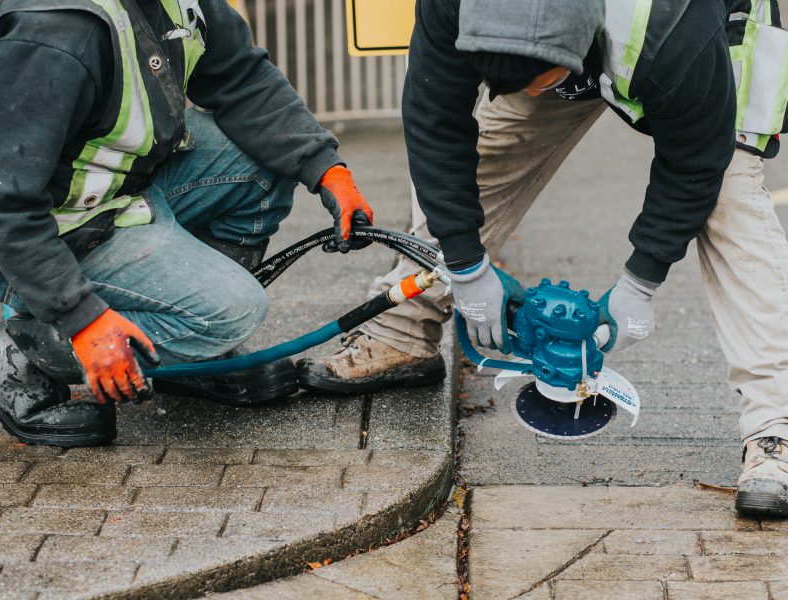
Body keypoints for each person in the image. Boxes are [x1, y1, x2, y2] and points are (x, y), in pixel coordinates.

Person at [298, 0, 788, 517]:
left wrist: (642, 279)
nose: (534, 90)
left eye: (541, 77)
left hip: (704, 34)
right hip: (558, 42)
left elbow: (695, 160)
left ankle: (775, 428)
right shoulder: (453, 7)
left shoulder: (672, 25)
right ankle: (402, 330)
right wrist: (465, 264)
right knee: (493, 148)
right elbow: (436, 126)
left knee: (727, 194)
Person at [0, 0, 373, 448]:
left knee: (262, 160)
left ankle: (184, 353)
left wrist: (328, 170)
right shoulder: (59, 31)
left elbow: (242, 78)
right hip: (50, 228)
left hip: (119, 189)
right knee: (234, 310)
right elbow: (1, 199)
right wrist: (80, 317)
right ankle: (24, 346)